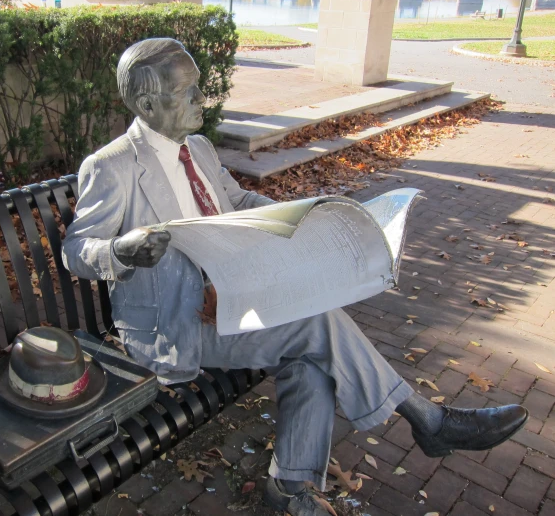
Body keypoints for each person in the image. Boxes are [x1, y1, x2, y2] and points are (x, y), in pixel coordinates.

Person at [61, 38, 528, 516]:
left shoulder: (197, 147)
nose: (204, 99)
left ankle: (291, 486)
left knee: (313, 357)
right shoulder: (111, 167)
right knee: (316, 327)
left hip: (232, 300)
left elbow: (238, 204)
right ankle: (426, 420)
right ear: (147, 103)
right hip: (173, 326)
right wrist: (121, 250)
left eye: (200, 86)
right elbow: (76, 251)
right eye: (190, 91)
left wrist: (304, 217)